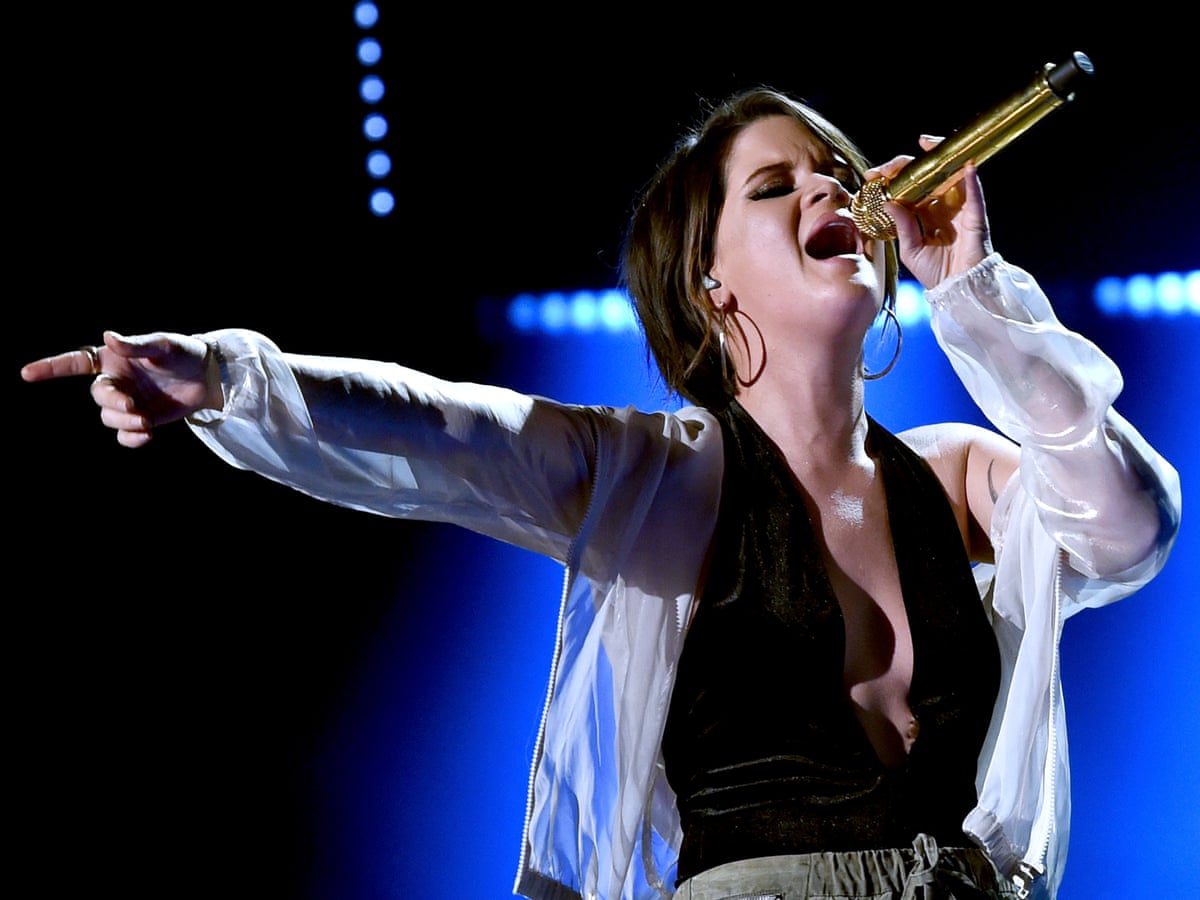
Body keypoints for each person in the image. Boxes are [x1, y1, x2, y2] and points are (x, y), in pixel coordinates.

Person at [21, 87, 1180, 900]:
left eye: (833, 169)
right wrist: (228, 375)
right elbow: (443, 424)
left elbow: (1132, 525)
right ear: (709, 277)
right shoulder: (661, 472)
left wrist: (975, 293)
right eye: (776, 184)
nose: (828, 187)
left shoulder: (959, 471)